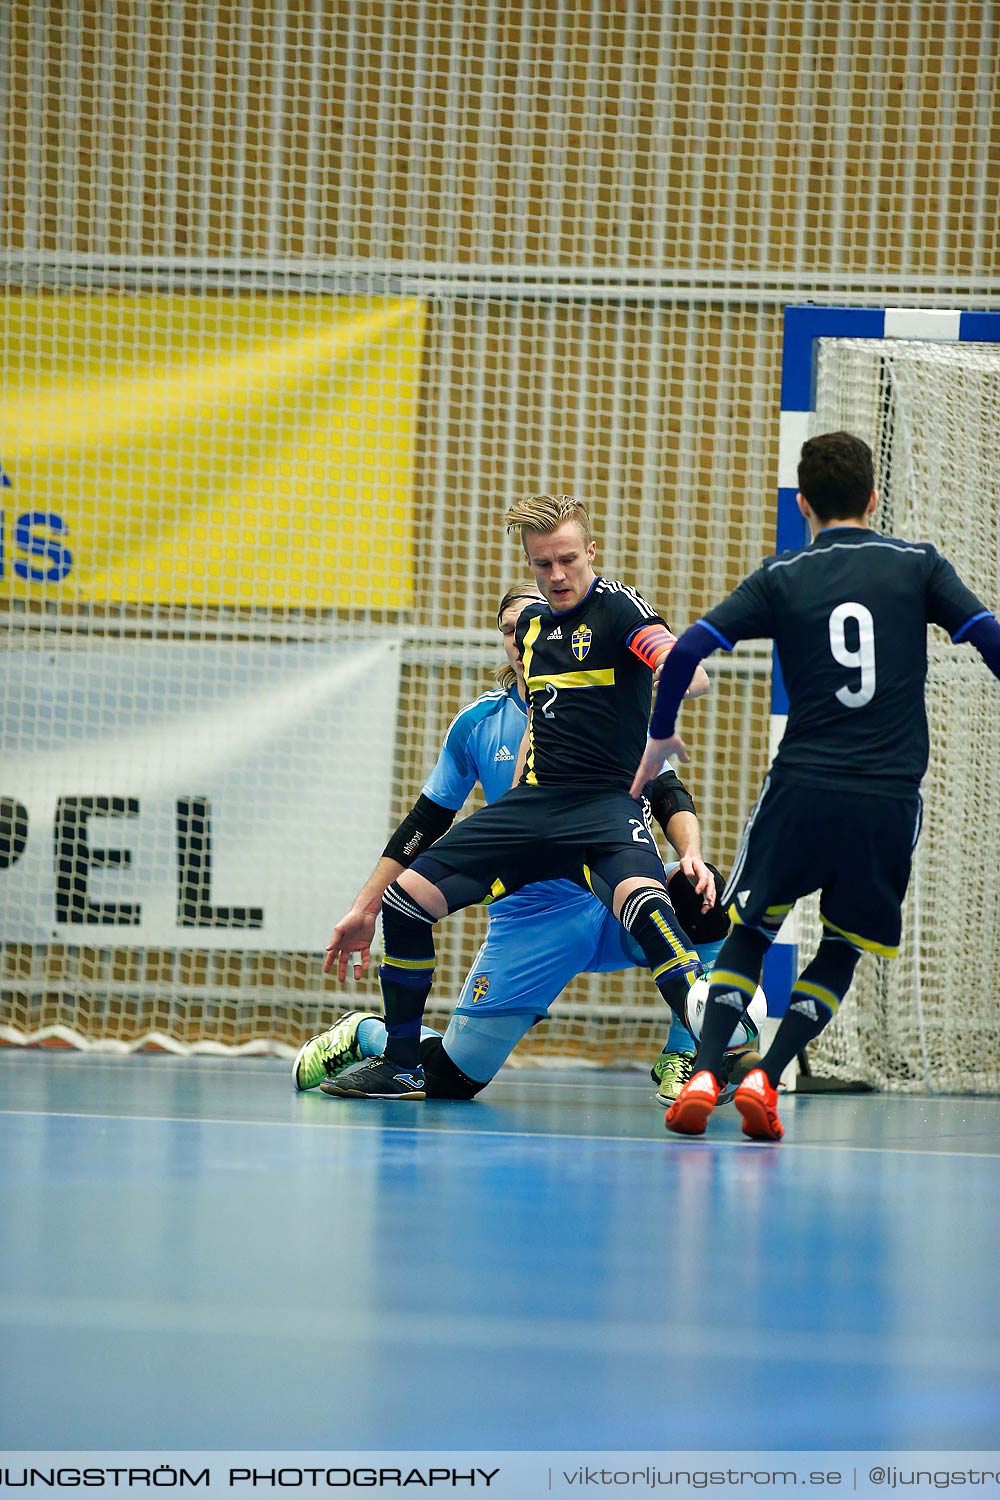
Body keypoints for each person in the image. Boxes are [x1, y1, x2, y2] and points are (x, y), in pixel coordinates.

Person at [631, 431, 1000, 1141]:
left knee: (751, 931)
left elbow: (686, 652)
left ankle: (707, 1070)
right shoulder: (917, 565)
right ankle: (768, 1075)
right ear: (872, 497)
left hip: (801, 787)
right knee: (841, 945)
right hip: (887, 798)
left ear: (802, 502)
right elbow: (987, 636)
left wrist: (661, 734)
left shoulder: (782, 575)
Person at [320, 492, 718, 1100]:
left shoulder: (618, 617)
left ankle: (698, 1044)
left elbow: (681, 686)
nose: (556, 576)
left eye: (566, 561)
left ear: (591, 553)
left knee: (678, 892)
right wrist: (364, 906)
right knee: (408, 913)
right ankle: (390, 1051)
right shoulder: (503, 686)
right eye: (541, 564)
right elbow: (428, 817)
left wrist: (671, 675)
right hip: (532, 886)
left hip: (601, 850)